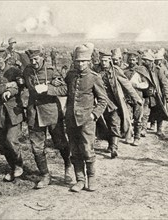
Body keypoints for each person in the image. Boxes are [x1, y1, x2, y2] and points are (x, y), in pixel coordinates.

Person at [48, 43, 108, 192]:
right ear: (74, 61)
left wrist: (94, 115)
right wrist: (50, 87)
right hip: (70, 119)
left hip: (87, 120)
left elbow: (103, 100)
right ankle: (80, 180)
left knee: (87, 150)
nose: (80, 64)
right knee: (74, 151)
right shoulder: (70, 75)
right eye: (78, 61)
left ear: (88, 61)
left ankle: (91, 179)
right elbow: (65, 90)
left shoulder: (94, 77)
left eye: (83, 61)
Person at [20, 46, 72, 189]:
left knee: (60, 142)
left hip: (51, 112)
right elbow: (23, 82)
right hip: (34, 114)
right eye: (31, 60)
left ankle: (68, 166)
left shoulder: (51, 71)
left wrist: (48, 89)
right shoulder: (27, 71)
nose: (34, 62)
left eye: (36, 59)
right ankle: (45, 175)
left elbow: (64, 89)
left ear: (42, 58)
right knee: (36, 147)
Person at [0, 49, 24, 182]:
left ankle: (19, 165)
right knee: (3, 145)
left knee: (11, 140)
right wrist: (6, 85)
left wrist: (11, 91)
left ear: (4, 58)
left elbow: (20, 86)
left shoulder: (14, 71)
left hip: (14, 112)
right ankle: (12, 167)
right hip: (0, 114)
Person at [97, 51, 142, 158]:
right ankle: (110, 143)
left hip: (114, 102)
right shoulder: (96, 70)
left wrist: (136, 98)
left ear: (110, 61)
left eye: (106, 61)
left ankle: (114, 147)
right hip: (100, 102)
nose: (103, 63)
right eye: (102, 61)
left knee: (114, 122)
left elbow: (127, 85)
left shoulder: (115, 71)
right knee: (104, 123)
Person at [123, 51, 150, 146]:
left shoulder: (141, 71)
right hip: (127, 98)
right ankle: (128, 136)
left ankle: (137, 138)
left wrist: (137, 85)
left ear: (136, 60)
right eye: (130, 59)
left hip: (138, 97)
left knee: (138, 118)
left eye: (133, 59)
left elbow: (146, 84)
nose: (131, 61)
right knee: (127, 118)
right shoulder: (124, 71)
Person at [145, 51, 168, 135]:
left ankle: (159, 128)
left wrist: (167, 95)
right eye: (144, 60)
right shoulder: (143, 69)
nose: (145, 62)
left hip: (157, 94)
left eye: (147, 60)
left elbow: (165, 83)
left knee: (159, 110)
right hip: (146, 94)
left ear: (151, 61)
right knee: (146, 111)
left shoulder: (158, 70)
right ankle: (145, 127)